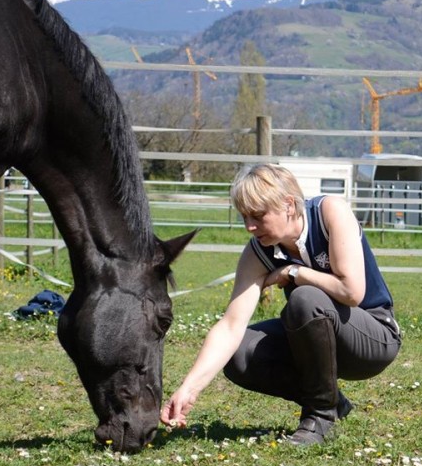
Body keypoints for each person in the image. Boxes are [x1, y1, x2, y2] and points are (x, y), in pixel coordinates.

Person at [160, 163, 402, 445]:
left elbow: (351, 292)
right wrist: (188, 389)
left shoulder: (330, 212)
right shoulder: (257, 252)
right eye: (244, 217)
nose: (250, 227)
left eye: (258, 216)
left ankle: (320, 417)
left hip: (372, 336)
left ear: (288, 204)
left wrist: (294, 273)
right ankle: (332, 402)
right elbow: (230, 326)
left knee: (305, 298)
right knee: (238, 353)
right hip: (317, 340)